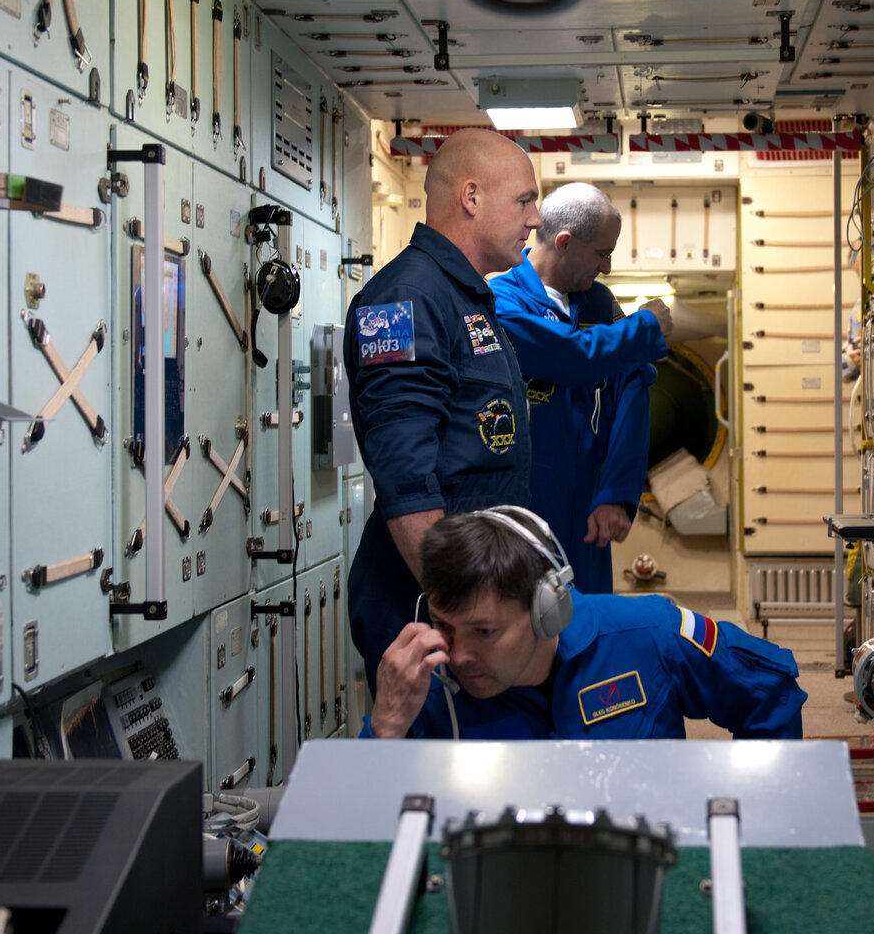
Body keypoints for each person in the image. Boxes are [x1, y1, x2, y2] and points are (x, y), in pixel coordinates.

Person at [345, 129, 543, 688]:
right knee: (431, 771)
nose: (535, 220)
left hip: (470, 595)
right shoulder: (405, 299)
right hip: (429, 606)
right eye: (524, 200)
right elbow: (406, 478)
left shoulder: (464, 297)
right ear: (472, 197)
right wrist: (461, 616)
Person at [366, 508, 807, 740]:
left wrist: (749, 825)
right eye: (445, 626)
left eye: (484, 631)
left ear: (547, 610)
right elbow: (355, 835)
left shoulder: (650, 634)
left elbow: (771, 694)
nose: (457, 656)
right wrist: (385, 727)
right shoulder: (426, 687)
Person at [491, 183, 671, 593]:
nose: (606, 267)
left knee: (589, 627)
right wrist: (643, 327)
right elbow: (572, 358)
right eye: (602, 253)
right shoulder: (503, 303)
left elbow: (633, 385)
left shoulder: (600, 304)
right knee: (526, 624)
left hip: (589, 502)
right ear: (565, 243)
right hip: (527, 505)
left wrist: (618, 492)